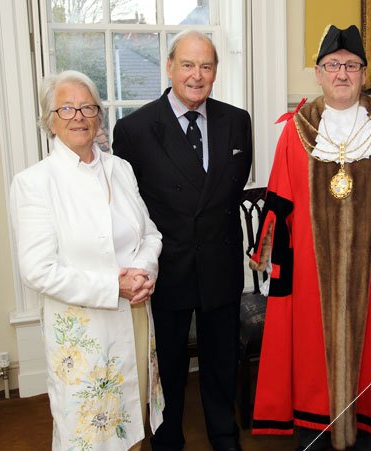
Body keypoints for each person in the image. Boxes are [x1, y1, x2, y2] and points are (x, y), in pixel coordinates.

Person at [250, 25, 371, 451]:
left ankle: (368, 437)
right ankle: (315, 434)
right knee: (312, 365)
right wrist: (277, 274)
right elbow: (279, 205)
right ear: (318, 73)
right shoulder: (296, 131)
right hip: (313, 280)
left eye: (351, 65)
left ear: (364, 73)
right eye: (333, 65)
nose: (342, 74)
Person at [9, 70, 164, 450]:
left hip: (137, 315)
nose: (78, 115)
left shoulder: (120, 169)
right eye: (66, 108)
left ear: (98, 116)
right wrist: (115, 285)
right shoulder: (34, 182)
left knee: (134, 423)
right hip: (84, 333)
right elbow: (38, 270)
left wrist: (143, 272)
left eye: (87, 107)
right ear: (50, 120)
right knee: (91, 434)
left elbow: (150, 234)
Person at [112, 30, 253, 451]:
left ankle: (224, 436)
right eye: (187, 65)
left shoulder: (237, 120)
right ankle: (168, 440)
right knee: (168, 367)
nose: (196, 75)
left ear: (215, 72)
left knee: (221, 363)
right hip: (166, 267)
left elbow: (230, 188)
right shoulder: (134, 129)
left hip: (220, 263)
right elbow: (129, 207)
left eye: (206, 66)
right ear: (169, 66)